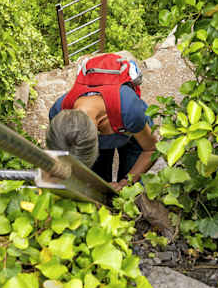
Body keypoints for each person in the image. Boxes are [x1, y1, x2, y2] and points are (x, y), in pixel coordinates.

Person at [46, 53, 157, 190]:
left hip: (130, 129)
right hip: (114, 126)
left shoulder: (129, 110)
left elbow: (151, 150)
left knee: (132, 174)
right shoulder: (58, 112)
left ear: (97, 137)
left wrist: (125, 184)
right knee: (99, 176)